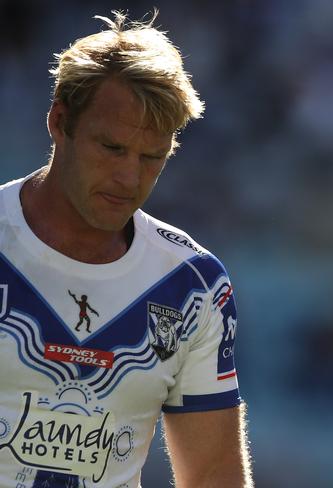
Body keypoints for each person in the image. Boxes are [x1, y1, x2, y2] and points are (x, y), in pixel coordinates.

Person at [0, 11, 252, 488]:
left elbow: (214, 475)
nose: (130, 178)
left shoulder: (192, 286)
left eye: (151, 157)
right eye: (111, 148)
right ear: (59, 121)